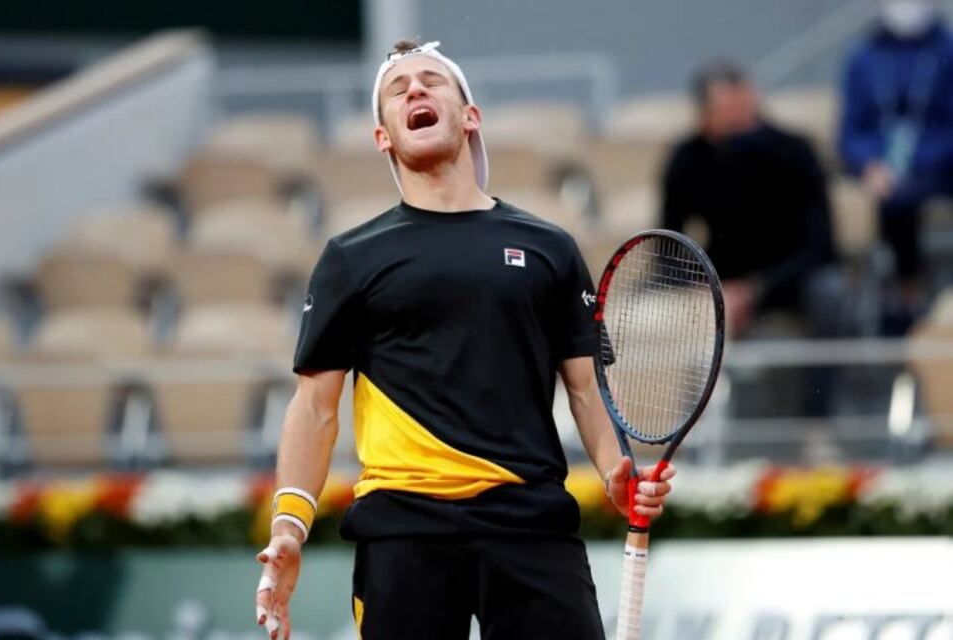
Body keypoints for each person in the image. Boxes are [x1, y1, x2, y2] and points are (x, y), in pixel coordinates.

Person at [252, 39, 674, 640]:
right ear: (384, 138)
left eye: (431, 82)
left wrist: (615, 468)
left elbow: (585, 386)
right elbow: (314, 407)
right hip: (403, 531)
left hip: (531, 525)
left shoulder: (548, 247)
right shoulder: (350, 258)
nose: (415, 91)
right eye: (398, 91)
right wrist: (288, 529)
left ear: (470, 117)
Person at [661, 60, 841, 339]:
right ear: (705, 114)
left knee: (829, 290)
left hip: (788, 277)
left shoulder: (794, 151)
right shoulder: (688, 159)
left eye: (744, 107)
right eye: (727, 111)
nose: (739, 119)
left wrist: (757, 289)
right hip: (721, 279)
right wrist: (704, 286)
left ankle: (827, 383)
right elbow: (668, 244)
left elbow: (819, 243)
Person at [840, 0, 953, 332]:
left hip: (938, 168)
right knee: (895, 200)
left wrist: (919, 164)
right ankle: (906, 295)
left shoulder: (946, 51)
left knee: (905, 193)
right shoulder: (863, 58)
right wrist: (870, 164)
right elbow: (851, 132)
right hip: (883, 173)